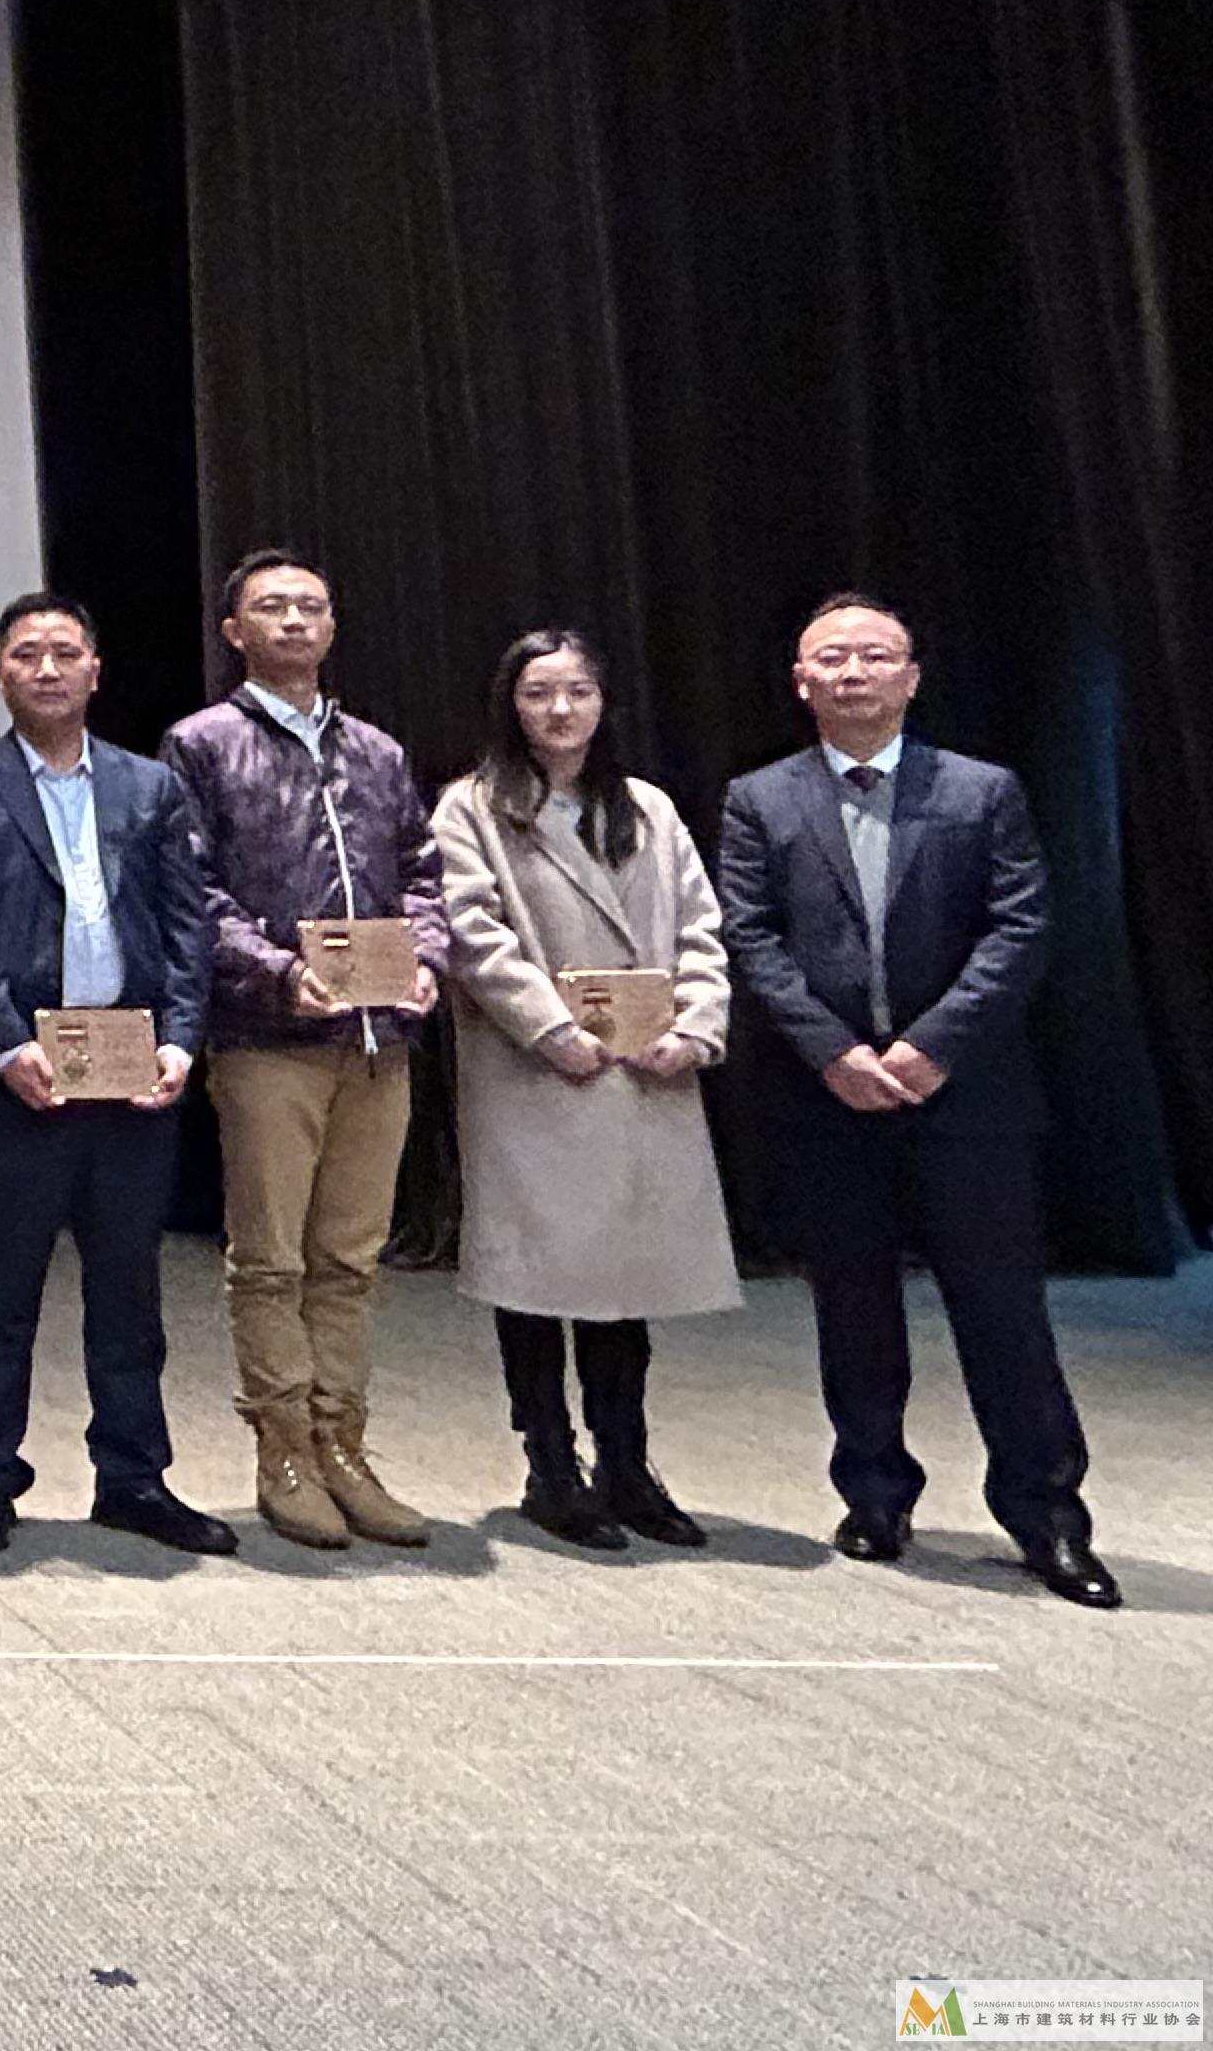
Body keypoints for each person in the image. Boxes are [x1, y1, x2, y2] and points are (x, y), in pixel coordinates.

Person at [715, 594, 1111, 1607]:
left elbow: (1020, 929)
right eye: (831, 659)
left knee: (1003, 1313)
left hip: (968, 1100)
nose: (852, 673)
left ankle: (1047, 1516)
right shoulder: (759, 799)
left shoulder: (982, 791)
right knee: (853, 1309)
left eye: (874, 656)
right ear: (800, 681)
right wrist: (833, 1052)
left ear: (912, 676)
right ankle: (875, 1496)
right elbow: (750, 936)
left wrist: (934, 1048)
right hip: (828, 1100)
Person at [0, 593, 234, 1558]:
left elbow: (187, 921)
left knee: (129, 1293)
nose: (46, 670)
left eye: (64, 652)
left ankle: (133, 1476)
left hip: (132, 1076)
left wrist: (182, 1040)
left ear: (96, 668)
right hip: (13, 1080)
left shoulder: (149, 786)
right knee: (1, 1293)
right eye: (26, 655)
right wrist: (7, 1044)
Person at [162, 550, 449, 1552]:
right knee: (271, 1259)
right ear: (233, 631)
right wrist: (278, 972)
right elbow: (192, 891)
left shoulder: (376, 751)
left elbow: (424, 876)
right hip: (269, 1037)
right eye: (271, 607)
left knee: (352, 1259)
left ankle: (343, 1445)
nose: (293, 620)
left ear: (332, 627)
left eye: (310, 607)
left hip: (378, 1039)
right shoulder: (201, 744)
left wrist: (426, 962)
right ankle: (282, 1448)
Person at [428, 629, 737, 1552]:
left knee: (622, 1280)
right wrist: (551, 1029)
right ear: (509, 705)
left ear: (604, 703)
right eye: (538, 693)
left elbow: (702, 928)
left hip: (643, 1069)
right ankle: (551, 1468)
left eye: (578, 692)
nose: (559, 710)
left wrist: (695, 1026)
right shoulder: (473, 807)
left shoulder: (647, 808)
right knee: (535, 1274)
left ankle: (627, 1466)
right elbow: (473, 932)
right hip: (535, 1072)